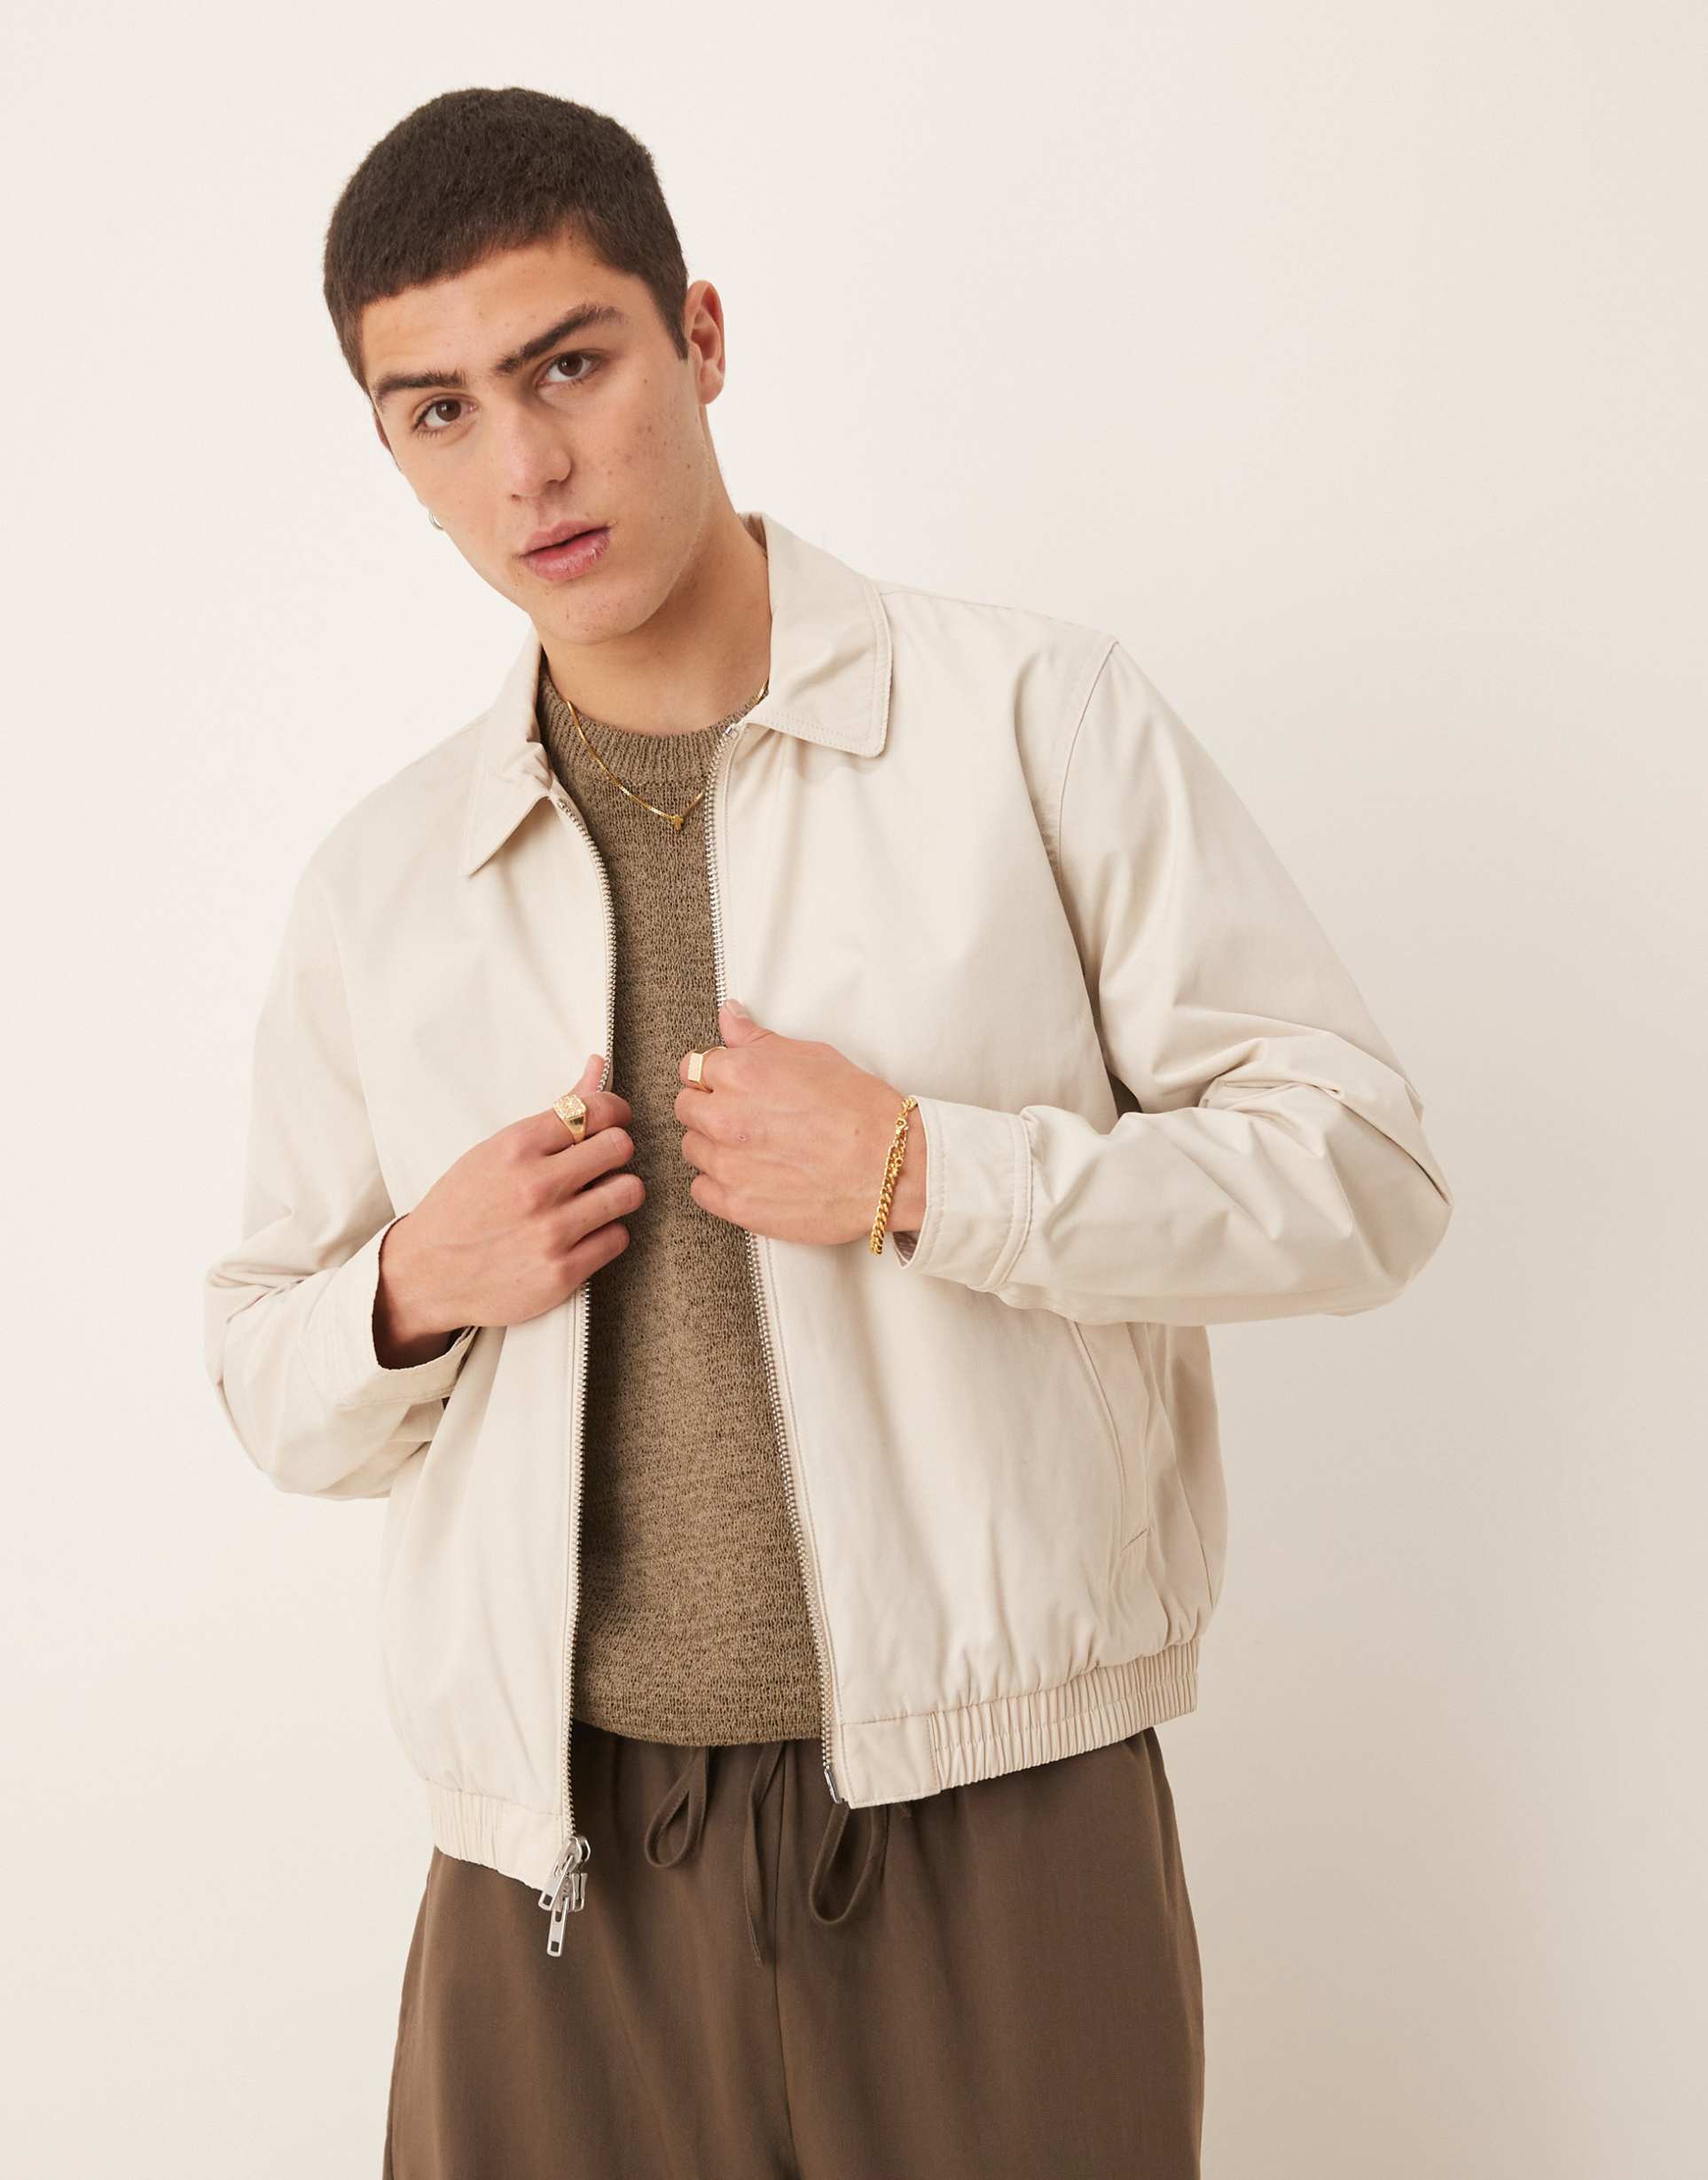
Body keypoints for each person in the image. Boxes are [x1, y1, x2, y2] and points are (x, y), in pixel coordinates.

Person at [202, 84, 1453, 2180]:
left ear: (698, 335)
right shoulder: (386, 880)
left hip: (1000, 1822)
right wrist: (412, 1286)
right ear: (394, 450)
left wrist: (925, 1174)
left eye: (568, 365)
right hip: (553, 1866)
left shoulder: (1033, 721)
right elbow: (268, 1371)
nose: (524, 466)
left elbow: (1362, 1176)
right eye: (439, 411)